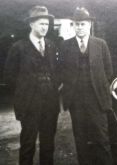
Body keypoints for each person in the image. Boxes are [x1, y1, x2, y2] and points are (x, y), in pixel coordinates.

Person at [4, 6, 60, 165]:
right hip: (29, 106)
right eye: (41, 23)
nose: (44, 27)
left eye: (47, 24)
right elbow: (10, 78)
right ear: (31, 24)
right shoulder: (18, 48)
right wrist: (25, 93)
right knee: (28, 145)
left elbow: (56, 71)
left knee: (48, 145)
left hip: (50, 105)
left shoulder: (51, 45)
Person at [59, 7, 113, 165]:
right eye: (76, 24)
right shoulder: (65, 46)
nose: (80, 27)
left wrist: (98, 87)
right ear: (73, 26)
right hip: (76, 102)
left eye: (82, 24)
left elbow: (108, 71)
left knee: (102, 140)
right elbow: (62, 71)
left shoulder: (100, 44)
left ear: (89, 24)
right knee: (81, 141)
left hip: (97, 100)